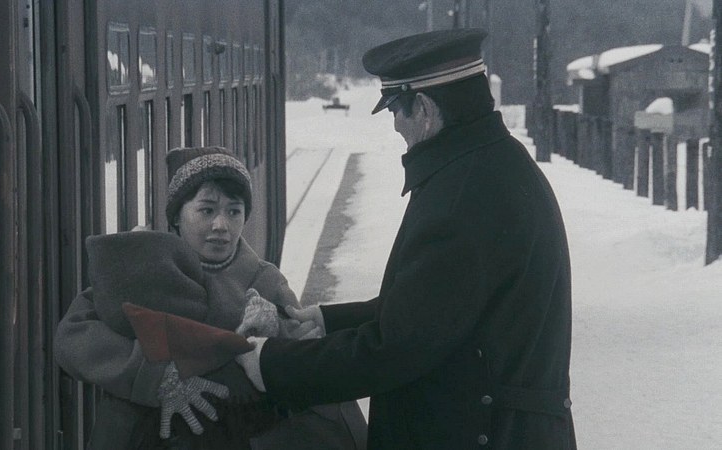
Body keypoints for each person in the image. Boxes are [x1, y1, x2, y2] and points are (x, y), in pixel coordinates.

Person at [233, 29, 577, 449]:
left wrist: (271, 364)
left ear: (426, 109)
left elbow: (398, 347)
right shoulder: (493, 165)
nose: (396, 125)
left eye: (397, 109)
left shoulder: (462, 198)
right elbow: (437, 311)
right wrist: (328, 321)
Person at [54, 146, 367, 449]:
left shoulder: (265, 281)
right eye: (207, 210)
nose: (221, 225)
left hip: (240, 436)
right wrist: (158, 378)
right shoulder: (145, 269)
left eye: (234, 211)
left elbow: (304, 360)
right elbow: (74, 336)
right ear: (177, 216)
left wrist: (278, 331)